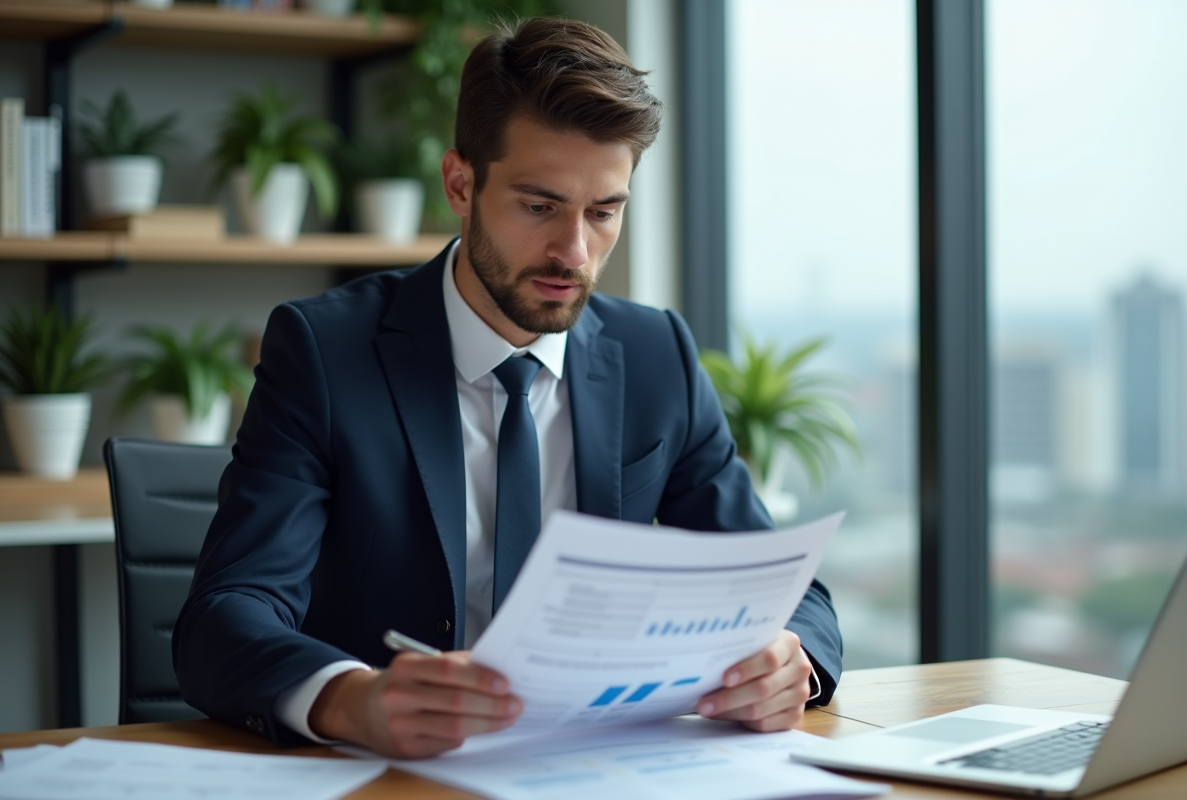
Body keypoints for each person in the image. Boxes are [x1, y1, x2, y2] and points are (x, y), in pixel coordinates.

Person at [173, 16, 842, 760]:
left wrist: (791, 660)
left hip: (603, 766)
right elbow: (224, 616)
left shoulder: (658, 355)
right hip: (400, 775)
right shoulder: (326, 353)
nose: (574, 251)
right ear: (460, 184)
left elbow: (783, 588)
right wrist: (349, 698)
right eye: (539, 205)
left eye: (604, 211)